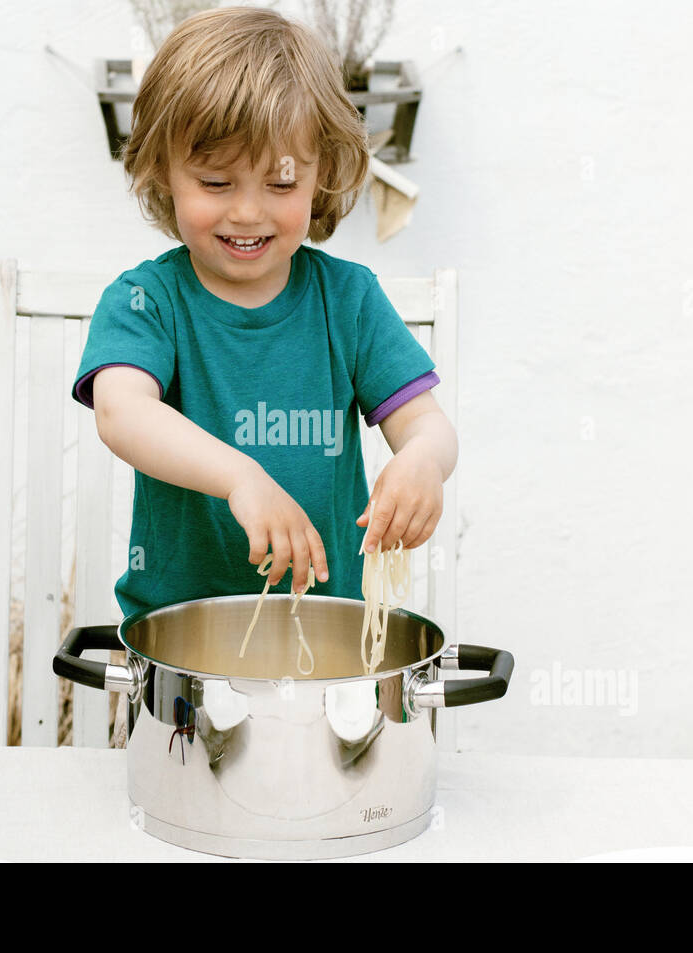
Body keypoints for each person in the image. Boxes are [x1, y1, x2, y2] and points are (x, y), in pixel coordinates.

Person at [73, 6, 457, 621]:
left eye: (280, 185)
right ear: (164, 174)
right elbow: (122, 412)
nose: (248, 213)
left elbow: (429, 426)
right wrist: (240, 477)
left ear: (321, 178)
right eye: (216, 183)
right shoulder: (146, 302)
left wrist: (420, 460)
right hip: (176, 643)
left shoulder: (349, 301)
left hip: (331, 639)